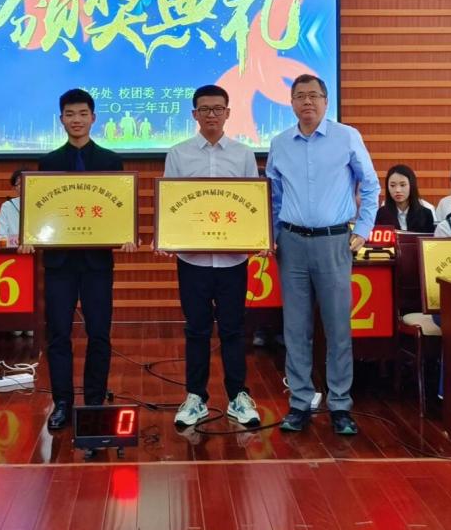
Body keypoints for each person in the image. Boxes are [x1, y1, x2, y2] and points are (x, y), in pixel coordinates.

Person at [265, 73, 379, 435]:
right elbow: (273, 196)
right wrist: (273, 235)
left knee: (337, 327)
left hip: (334, 242)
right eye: (300, 96)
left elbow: (370, 184)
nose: (307, 102)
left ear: (326, 101)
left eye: (314, 95)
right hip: (292, 243)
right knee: (295, 328)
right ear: (291, 103)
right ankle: (300, 402)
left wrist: (363, 229)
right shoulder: (280, 143)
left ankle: (340, 405)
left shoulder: (347, 136)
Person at [162, 84, 262, 429]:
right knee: (196, 330)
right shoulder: (178, 154)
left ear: (228, 113)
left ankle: (237, 397)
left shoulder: (243, 154)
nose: (211, 115)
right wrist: (168, 236)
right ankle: (195, 398)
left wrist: (258, 236)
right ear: (194, 114)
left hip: (233, 260)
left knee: (233, 329)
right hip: (193, 260)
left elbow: (253, 204)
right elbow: (171, 204)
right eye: (204, 109)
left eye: (218, 109)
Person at [36, 88, 131, 431]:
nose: (76, 120)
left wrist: (125, 233)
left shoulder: (111, 162)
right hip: (59, 263)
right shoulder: (48, 164)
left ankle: (93, 401)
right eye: (69, 114)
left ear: (93, 118)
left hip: (96, 263)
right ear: (61, 119)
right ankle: (62, 402)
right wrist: (32, 236)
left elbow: (119, 209)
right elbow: (42, 212)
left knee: (99, 334)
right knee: (58, 334)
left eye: (82, 114)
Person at [374, 164, 435, 233]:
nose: (397, 190)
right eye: (392, 185)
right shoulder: (381, 214)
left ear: (411, 185)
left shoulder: (426, 214)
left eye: (402, 185)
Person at [0, 169, 23, 241]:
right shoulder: (7, 206)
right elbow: (1, 235)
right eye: (19, 183)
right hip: (14, 246)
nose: (23, 185)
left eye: (26, 182)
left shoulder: (43, 204)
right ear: (15, 187)